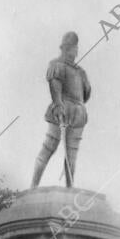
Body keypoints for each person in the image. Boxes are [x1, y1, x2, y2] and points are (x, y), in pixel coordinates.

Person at [31, 31, 91, 187]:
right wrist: (59, 105)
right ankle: (33, 185)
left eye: (76, 48)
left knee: (71, 154)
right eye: (73, 48)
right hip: (62, 111)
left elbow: (86, 94)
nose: (75, 51)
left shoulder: (80, 71)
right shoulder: (57, 65)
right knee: (49, 147)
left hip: (77, 114)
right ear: (66, 48)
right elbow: (55, 85)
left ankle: (70, 188)